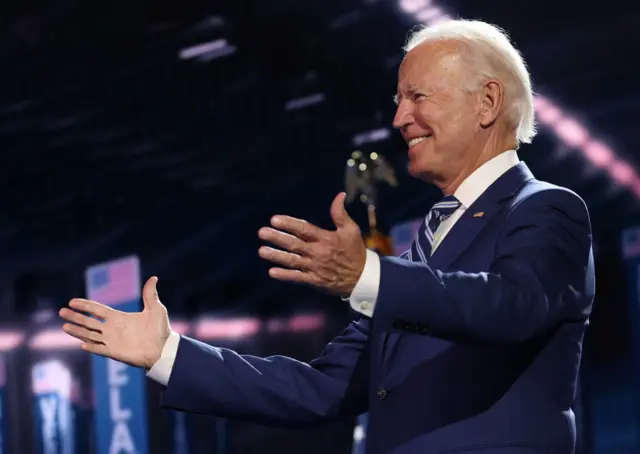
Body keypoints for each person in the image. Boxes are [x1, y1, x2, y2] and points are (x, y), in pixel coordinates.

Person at [59, 19, 595, 454]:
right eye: (398, 99)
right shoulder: (424, 253)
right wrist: (168, 353)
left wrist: (369, 274)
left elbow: (509, 306)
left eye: (417, 96)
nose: (399, 117)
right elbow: (320, 389)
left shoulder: (548, 209)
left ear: (487, 102)